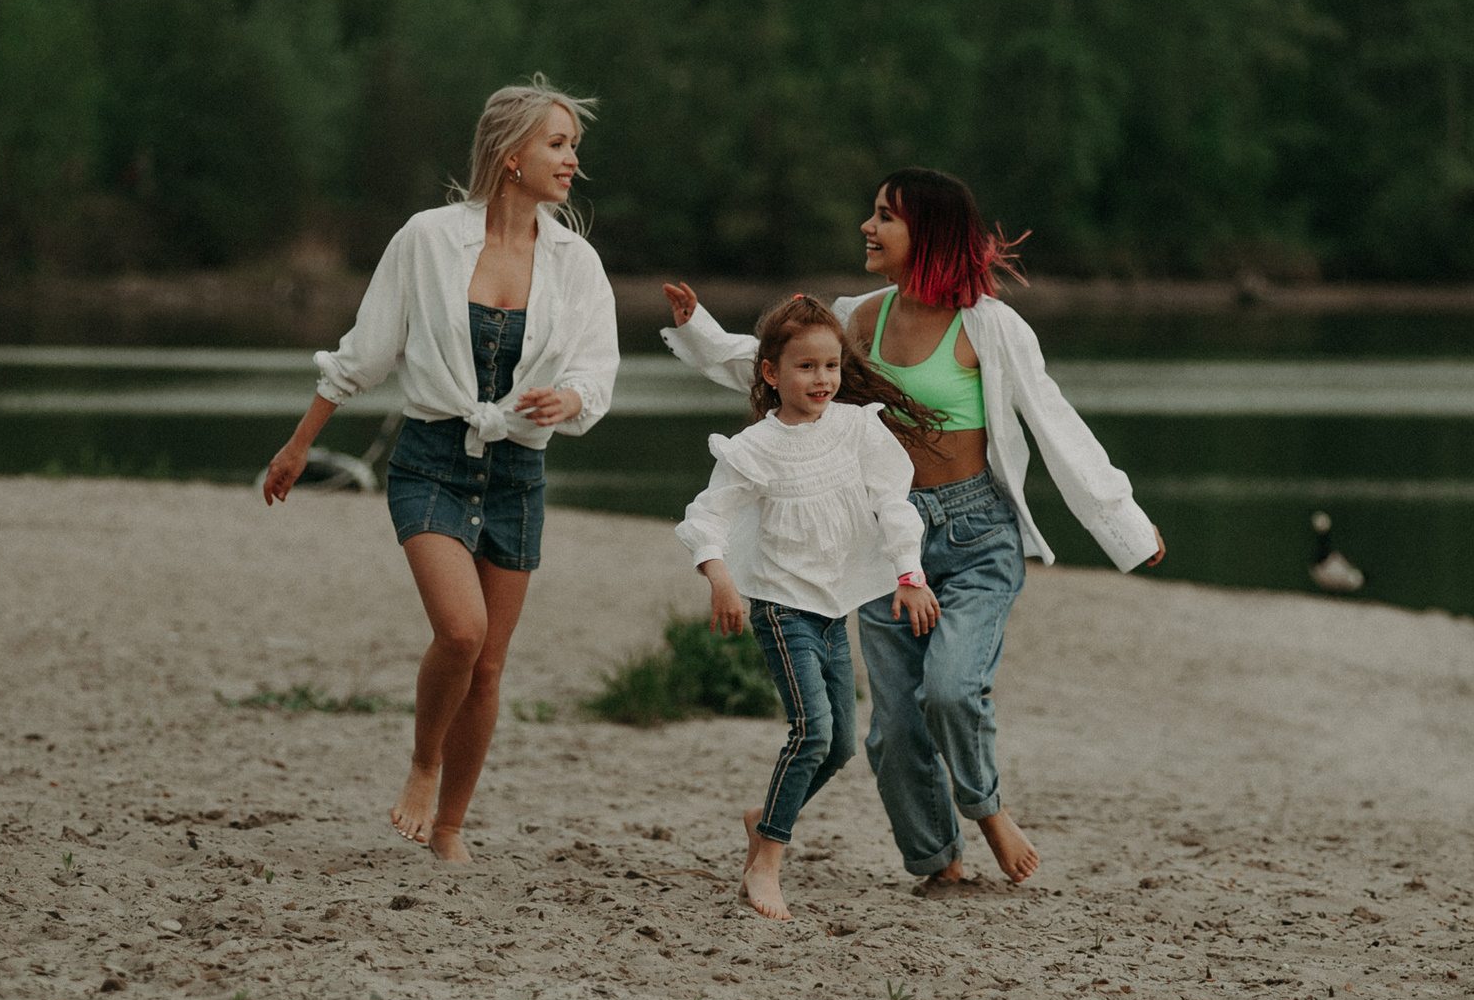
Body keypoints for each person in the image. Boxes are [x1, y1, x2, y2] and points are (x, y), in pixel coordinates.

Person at [663, 168, 1164, 886]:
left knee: (953, 689)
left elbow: (1056, 421)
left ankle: (986, 808)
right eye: (871, 213)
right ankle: (939, 863)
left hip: (975, 535)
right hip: (885, 540)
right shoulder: (859, 317)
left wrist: (1126, 524)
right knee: (894, 727)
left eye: (884, 217)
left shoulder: (989, 324)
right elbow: (778, 364)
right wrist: (700, 331)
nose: (867, 227)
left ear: (924, 233)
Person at [265, 80, 617, 862]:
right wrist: (298, 445)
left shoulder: (577, 263)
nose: (572, 160)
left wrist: (570, 397)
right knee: (461, 632)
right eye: (556, 144)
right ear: (509, 154)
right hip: (430, 460)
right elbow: (364, 352)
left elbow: (599, 370)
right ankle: (423, 765)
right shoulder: (425, 239)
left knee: (490, 665)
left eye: (572, 145)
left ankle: (451, 827)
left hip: (520, 471)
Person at [675, 297, 944, 920]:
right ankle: (765, 859)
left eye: (830, 366)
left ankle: (769, 812)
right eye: (805, 367)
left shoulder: (856, 428)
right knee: (812, 730)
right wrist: (718, 577)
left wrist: (909, 573)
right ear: (771, 374)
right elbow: (707, 516)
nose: (822, 379)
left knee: (842, 745)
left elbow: (893, 502)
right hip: (779, 608)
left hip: (831, 609)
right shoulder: (756, 447)